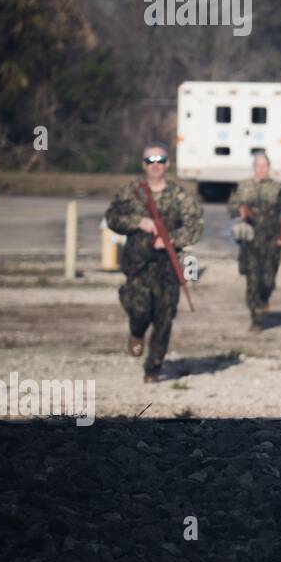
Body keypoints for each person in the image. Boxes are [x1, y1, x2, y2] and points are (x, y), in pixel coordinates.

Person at [103, 142, 203, 382]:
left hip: (167, 267)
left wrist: (170, 239)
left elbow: (195, 227)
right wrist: (138, 221)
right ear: (143, 165)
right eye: (150, 160)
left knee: (164, 317)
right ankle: (136, 333)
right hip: (138, 265)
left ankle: (153, 368)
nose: (155, 165)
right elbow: (112, 218)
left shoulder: (180, 196)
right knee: (139, 310)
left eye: (160, 160)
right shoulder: (131, 192)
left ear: (167, 164)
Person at [228, 151, 281, 330]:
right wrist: (239, 210)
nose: (261, 170)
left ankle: (264, 299)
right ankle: (256, 319)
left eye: (264, 166)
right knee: (252, 280)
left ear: (269, 168)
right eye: (258, 166)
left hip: (272, 242)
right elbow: (232, 208)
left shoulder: (278, 189)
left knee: (268, 281)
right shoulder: (243, 187)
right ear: (253, 167)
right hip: (249, 242)